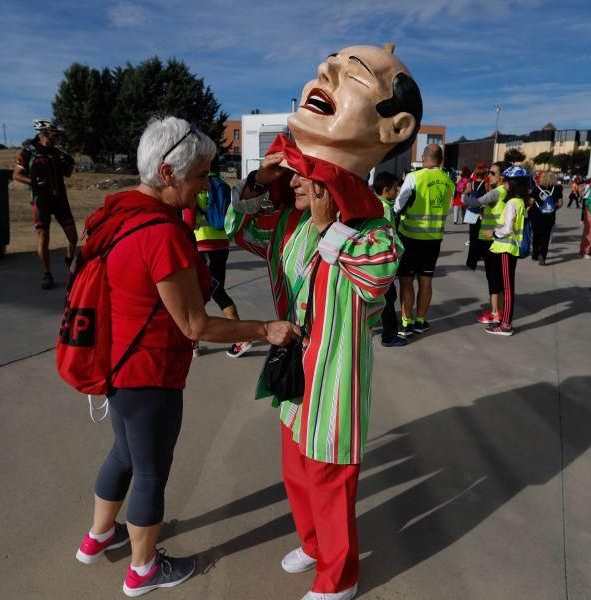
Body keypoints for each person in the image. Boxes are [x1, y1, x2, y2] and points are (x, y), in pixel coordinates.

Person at [74, 117, 298, 598]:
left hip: (117, 363)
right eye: (199, 177)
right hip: (149, 372)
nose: (204, 189)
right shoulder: (163, 233)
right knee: (151, 470)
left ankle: (97, 538)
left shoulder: (120, 212)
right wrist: (264, 328)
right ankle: (143, 570)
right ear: (169, 172)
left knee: (123, 454)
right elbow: (196, 325)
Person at [227, 44, 417, 600]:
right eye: (300, 178)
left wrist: (330, 223)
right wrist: (261, 185)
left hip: (334, 382)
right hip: (294, 371)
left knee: (331, 481)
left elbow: (375, 279)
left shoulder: (372, 226)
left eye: (309, 179)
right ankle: (312, 544)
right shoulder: (288, 220)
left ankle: (340, 578)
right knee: (296, 471)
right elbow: (244, 230)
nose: (301, 184)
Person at [181, 161, 252, 358]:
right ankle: (195, 341)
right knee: (215, 289)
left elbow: (189, 219)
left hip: (202, 243)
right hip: (221, 244)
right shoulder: (223, 184)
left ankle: (237, 337)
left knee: (200, 292)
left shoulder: (196, 184)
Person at [393, 144, 455, 337]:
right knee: (426, 280)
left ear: (423, 157)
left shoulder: (414, 177)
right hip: (434, 239)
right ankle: (420, 321)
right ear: (442, 159)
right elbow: (449, 209)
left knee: (406, 281)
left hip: (410, 237)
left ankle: (406, 323)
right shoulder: (449, 181)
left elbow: (397, 205)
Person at [13, 119, 78, 290]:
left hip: (60, 199)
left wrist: (70, 163)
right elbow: (16, 175)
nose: (56, 138)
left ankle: (69, 260)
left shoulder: (57, 153)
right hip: (41, 201)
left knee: (73, 237)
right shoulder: (29, 152)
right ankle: (47, 273)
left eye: (56, 135)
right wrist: (32, 182)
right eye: (53, 134)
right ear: (43, 133)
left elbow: (68, 174)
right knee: (43, 237)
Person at [480, 165, 530, 337]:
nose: (505, 185)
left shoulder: (511, 203)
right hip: (510, 248)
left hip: (505, 248)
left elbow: (507, 227)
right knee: (507, 287)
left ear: (514, 184)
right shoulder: (520, 202)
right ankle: (504, 321)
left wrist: (492, 232)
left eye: (507, 182)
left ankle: (506, 324)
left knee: (507, 289)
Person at [462, 161, 510, 324]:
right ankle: (499, 310)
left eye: (492, 173)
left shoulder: (498, 192)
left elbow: (475, 203)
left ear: (502, 177)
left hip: (491, 240)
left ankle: (495, 313)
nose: (489, 175)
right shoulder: (505, 192)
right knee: (498, 279)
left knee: (493, 279)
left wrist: (464, 194)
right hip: (495, 239)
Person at [372, 171, 407, 347]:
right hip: (384, 262)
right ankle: (389, 335)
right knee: (388, 298)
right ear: (386, 190)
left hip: (377, 262)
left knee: (384, 297)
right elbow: (387, 237)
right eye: (395, 188)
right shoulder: (385, 209)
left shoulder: (376, 203)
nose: (398, 191)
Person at [528, 171, 562, 265]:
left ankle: (535, 255)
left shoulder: (537, 188)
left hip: (536, 216)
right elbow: (560, 203)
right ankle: (543, 255)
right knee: (546, 237)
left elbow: (531, 202)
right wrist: (553, 209)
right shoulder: (557, 189)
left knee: (536, 236)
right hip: (549, 217)